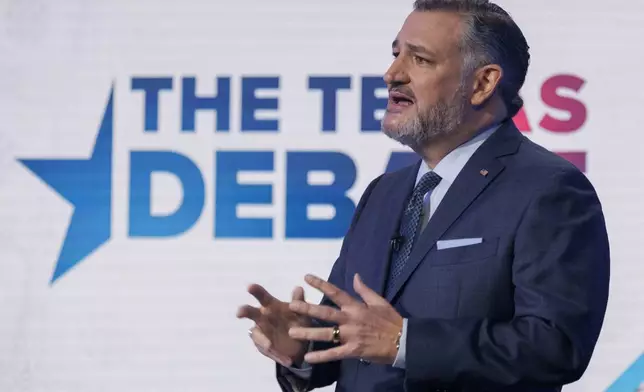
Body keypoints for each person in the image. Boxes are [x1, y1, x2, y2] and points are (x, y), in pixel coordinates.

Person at [236, 0, 610, 391]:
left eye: (420, 60)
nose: (391, 74)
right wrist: (301, 348)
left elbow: (555, 348)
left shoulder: (548, 190)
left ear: (482, 83)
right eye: (397, 54)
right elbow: (351, 338)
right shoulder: (383, 193)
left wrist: (406, 343)